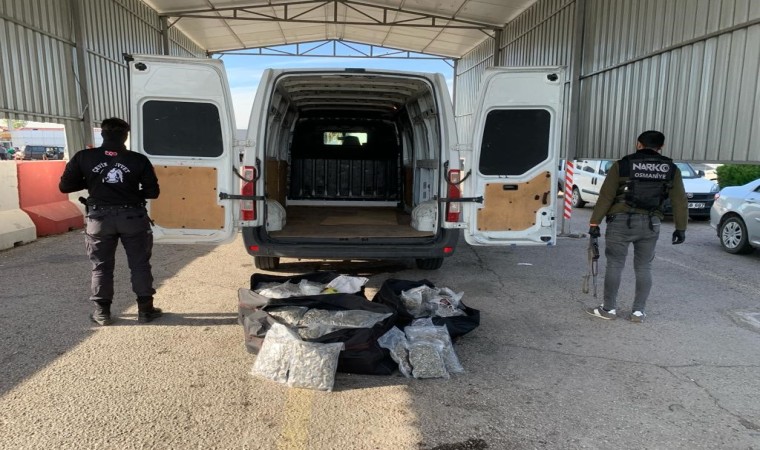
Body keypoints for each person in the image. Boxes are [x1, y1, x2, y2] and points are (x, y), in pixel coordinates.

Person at [59, 117, 162, 325]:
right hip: (132, 217)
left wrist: (90, 182)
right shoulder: (138, 159)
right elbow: (153, 192)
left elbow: (65, 187)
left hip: (99, 219)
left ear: (103, 134)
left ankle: (102, 313)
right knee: (140, 264)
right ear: (125, 136)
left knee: (101, 267)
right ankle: (145, 311)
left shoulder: (83, 157)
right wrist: (131, 192)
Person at [585, 130, 687, 323]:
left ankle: (609, 309)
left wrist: (595, 222)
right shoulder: (671, 169)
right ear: (661, 147)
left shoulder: (622, 165)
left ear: (638, 144)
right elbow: (679, 201)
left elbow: (606, 196)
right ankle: (638, 312)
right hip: (651, 223)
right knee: (644, 266)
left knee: (615, 264)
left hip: (620, 221)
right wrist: (681, 228)